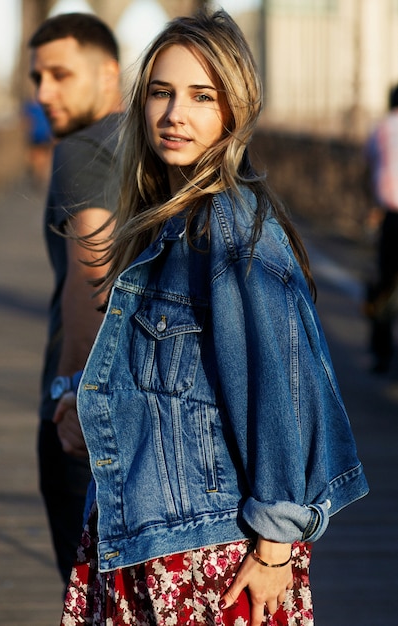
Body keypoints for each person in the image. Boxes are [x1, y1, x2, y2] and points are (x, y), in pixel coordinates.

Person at [60, 10, 368, 625]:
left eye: (202, 97)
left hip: (210, 556)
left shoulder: (228, 226)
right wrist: (82, 402)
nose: (175, 114)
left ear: (235, 112)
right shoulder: (172, 221)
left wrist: (276, 545)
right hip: (147, 534)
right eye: (161, 92)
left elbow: (277, 386)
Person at [28, 12, 123, 586]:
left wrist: (70, 396)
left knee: (91, 596)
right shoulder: (165, 147)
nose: (43, 93)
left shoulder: (81, 151)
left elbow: (93, 273)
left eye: (60, 75)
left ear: (108, 72)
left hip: (83, 411)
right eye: (38, 78)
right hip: (159, 411)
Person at [364, 84, 398, 374]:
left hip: (391, 217)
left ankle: (382, 354)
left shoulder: (382, 129)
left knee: (384, 283)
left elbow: (371, 168)